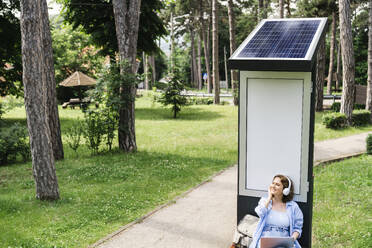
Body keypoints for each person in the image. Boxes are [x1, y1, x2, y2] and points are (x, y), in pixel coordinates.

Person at [249, 174, 303, 248]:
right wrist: (269, 198)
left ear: (285, 190)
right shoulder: (265, 201)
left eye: (277, 184)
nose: (273, 186)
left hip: (284, 244)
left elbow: (297, 228)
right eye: (273, 183)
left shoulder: (293, 207)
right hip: (264, 242)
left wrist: (291, 240)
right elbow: (260, 213)